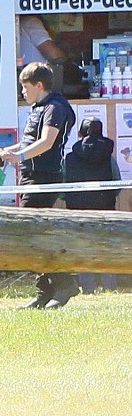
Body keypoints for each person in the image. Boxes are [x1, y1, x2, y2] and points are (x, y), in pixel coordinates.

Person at [0, 62, 78, 308]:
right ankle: (44, 293)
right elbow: (27, 143)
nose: (23, 92)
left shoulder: (55, 107)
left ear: (39, 85)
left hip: (44, 176)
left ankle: (65, 284)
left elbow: (46, 143)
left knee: (31, 234)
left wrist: (19, 157)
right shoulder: (39, 108)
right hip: (30, 176)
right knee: (36, 234)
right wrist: (2, 152)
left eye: (25, 87)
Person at [62, 115, 119, 293]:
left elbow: (63, 189)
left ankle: (87, 288)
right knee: (106, 247)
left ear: (79, 134)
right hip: (106, 210)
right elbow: (117, 185)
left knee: (82, 248)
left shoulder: (68, 159)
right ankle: (110, 288)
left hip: (77, 211)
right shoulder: (109, 158)